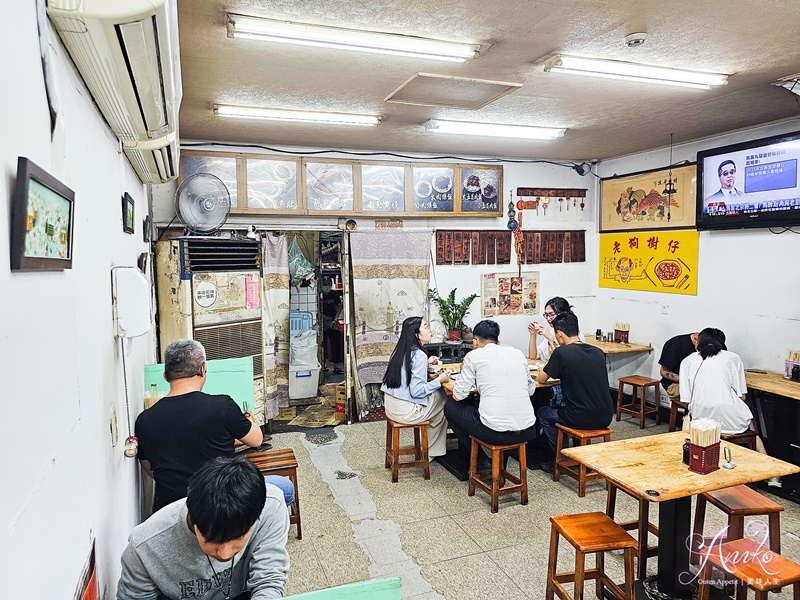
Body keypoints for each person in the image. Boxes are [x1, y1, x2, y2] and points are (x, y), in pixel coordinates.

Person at [135, 339, 294, 513]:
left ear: (165, 376)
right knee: (286, 488)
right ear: (203, 369)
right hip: (222, 504)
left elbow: (151, 470)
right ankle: (248, 532)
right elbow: (257, 440)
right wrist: (243, 419)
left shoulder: (144, 420)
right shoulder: (222, 406)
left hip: (172, 509)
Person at [117, 457, 290, 599]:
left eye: (238, 538)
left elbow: (269, 581)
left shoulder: (270, 507)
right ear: (193, 519)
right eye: (211, 540)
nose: (225, 553)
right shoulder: (145, 547)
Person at [679, 328, 777, 486]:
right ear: (723, 343)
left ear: (698, 343)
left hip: (702, 422)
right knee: (749, 424)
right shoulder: (733, 358)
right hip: (730, 420)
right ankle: (771, 473)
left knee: (740, 414)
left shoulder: (687, 361)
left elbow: (686, 398)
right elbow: (742, 395)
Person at [446, 319, 537, 473]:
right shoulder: (518, 354)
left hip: (495, 433)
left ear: (475, 342)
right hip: (528, 429)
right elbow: (531, 391)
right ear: (498, 341)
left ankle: (482, 462)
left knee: (450, 407)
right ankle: (501, 465)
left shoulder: (473, 357)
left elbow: (458, 395)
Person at [536, 312, 613, 474]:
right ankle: (583, 456)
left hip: (579, 416)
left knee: (544, 413)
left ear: (559, 334)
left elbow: (542, 379)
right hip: (606, 415)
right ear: (578, 330)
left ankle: (563, 457)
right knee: (570, 407)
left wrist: (551, 360)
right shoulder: (597, 352)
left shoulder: (561, 353)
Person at [381, 317, 450, 458]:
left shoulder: (400, 350)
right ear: (416, 334)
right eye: (425, 326)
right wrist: (440, 380)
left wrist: (425, 363)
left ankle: (430, 449)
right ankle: (430, 453)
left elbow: (406, 372)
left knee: (438, 410)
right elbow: (417, 391)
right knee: (443, 397)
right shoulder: (418, 355)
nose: (429, 329)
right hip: (406, 413)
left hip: (391, 407)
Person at [527, 296, 586, 361]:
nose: (548, 319)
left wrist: (551, 340)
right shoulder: (552, 331)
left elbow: (564, 362)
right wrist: (533, 334)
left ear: (563, 314)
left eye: (551, 314)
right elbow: (533, 356)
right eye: (546, 315)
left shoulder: (577, 337)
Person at [658, 332, 699, 402]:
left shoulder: (715, 346)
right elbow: (663, 372)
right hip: (674, 384)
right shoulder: (674, 344)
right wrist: (686, 381)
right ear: (695, 339)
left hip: (697, 385)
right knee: (700, 399)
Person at [321, 276, 344, 373]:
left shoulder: (334, 294)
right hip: (322, 322)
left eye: (328, 284)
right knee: (323, 344)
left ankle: (336, 366)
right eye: (325, 284)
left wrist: (336, 316)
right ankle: (323, 365)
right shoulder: (320, 295)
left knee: (336, 343)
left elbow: (339, 305)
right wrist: (322, 316)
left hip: (333, 321)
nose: (327, 286)